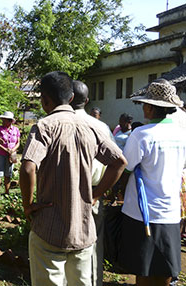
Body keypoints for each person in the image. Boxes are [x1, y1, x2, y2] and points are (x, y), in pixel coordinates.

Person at [19, 71, 127, 286]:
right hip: (83, 228)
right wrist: (96, 195)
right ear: (71, 98)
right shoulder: (93, 127)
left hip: (48, 226)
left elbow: (28, 168)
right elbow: (119, 162)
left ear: (44, 100)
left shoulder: (44, 127)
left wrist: (28, 205)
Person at [118, 80, 186, 286]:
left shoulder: (141, 134)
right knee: (165, 265)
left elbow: (126, 168)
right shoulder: (182, 134)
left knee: (144, 267)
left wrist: (118, 191)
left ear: (149, 106)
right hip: (170, 210)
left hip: (142, 212)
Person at [70, 80, 115, 286]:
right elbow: (118, 163)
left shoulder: (52, 124)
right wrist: (99, 194)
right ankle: (93, 280)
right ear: (87, 101)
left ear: (67, 97)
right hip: (94, 190)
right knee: (94, 242)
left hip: (65, 190)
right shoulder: (101, 127)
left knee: (65, 240)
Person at [0, 111, 21, 197]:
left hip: (11, 154)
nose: (3, 121)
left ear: (10, 121)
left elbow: (18, 142)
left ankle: (7, 192)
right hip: (0, 153)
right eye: (3, 120)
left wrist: (12, 150)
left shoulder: (15, 130)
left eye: (5, 120)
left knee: (8, 173)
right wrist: (6, 149)